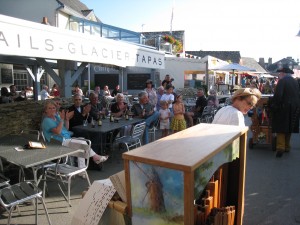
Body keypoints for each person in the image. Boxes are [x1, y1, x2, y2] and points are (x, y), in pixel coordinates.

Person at [42, 101, 108, 176]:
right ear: (46, 110)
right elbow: (57, 131)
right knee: (82, 143)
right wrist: (62, 119)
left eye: (53, 108)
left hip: (65, 139)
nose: (52, 110)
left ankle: (82, 169)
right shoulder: (46, 120)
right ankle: (94, 157)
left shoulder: (56, 118)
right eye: (49, 108)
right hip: (57, 143)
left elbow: (66, 129)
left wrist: (66, 120)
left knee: (82, 142)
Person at [271, 66, 300, 157]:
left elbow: (279, 95)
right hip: (295, 107)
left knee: (281, 127)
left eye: (280, 73)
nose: (279, 75)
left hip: (284, 107)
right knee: (289, 127)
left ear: (283, 73)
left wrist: (274, 105)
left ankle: (280, 147)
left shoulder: (282, 81)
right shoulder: (295, 81)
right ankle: (287, 146)